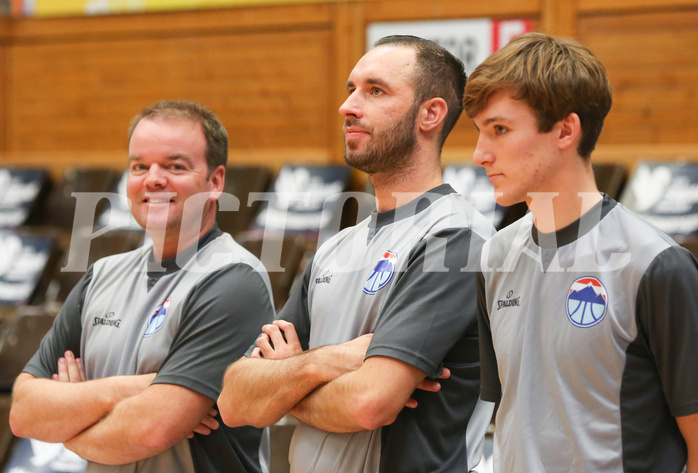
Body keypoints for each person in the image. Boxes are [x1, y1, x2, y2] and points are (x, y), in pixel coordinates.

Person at [217, 35, 495, 473]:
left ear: (430, 114)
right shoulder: (334, 248)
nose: (348, 107)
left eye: (375, 90)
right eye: (351, 89)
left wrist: (285, 382)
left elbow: (369, 403)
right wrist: (325, 362)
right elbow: (235, 400)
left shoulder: (456, 239)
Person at [465, 32, 698, 472]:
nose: (480, 154)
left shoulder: (656, 266)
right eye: (479, 132)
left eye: (499, 130)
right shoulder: (493, 257)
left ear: (566, 131)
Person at [9, 100, 275, 473]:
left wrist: (71, 418)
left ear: (215, 182)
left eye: (174, 166)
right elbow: (24, 412)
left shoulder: (233, 280)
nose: (152, 179)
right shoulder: (101, 275)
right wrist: (136, 389)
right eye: (139, 166)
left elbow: (151, 430)